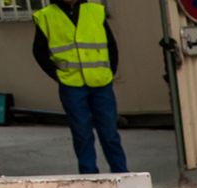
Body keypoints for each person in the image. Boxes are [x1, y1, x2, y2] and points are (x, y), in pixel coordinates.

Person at [32, 0, 128, 174]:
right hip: (72, 84)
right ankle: (89, 178)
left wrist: (110, 71)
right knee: (82, 135)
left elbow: (111, 45)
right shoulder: (46, 16)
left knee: (110, 134)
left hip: (101, 82)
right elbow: (39, 51)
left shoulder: (95, 11)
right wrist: (57, 74)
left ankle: (121, 174)